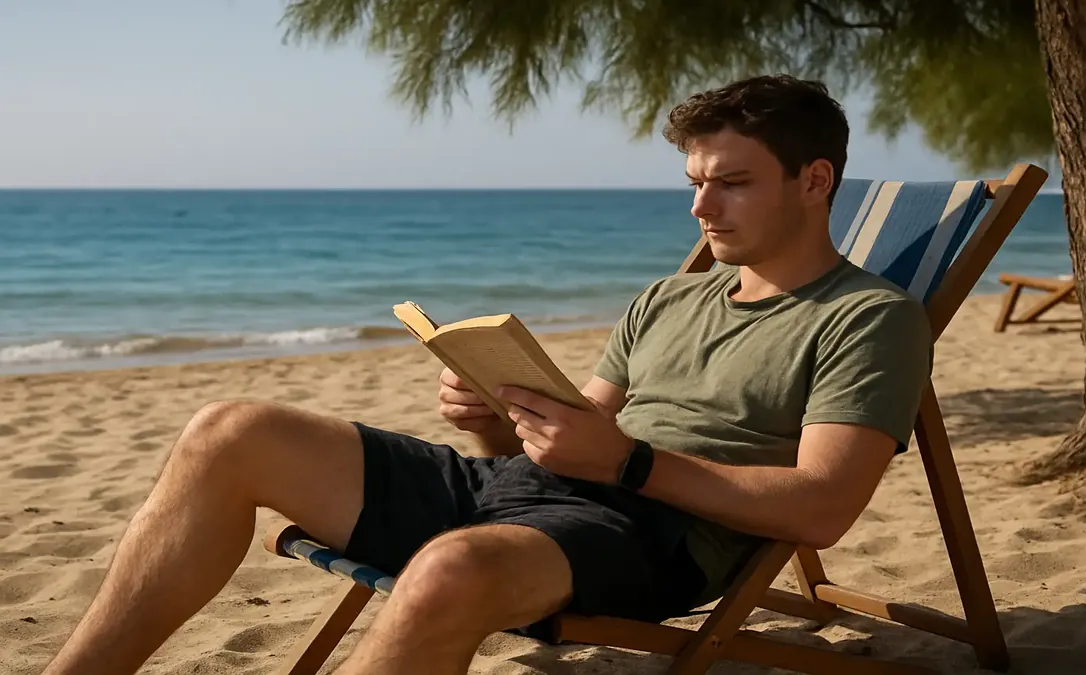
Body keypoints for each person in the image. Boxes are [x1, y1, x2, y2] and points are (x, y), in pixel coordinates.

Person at [43, 74, 932, 675]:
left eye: (731, 183)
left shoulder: (868, 318)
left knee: (451, 568)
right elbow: (572, 440)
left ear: (814, 181)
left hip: (649, 534)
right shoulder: (670, 296)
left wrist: (628, 463)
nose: (701, 206)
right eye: (694, 181)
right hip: (521, 488)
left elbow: (822, 505)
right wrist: (492, 420)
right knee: (229, 428)